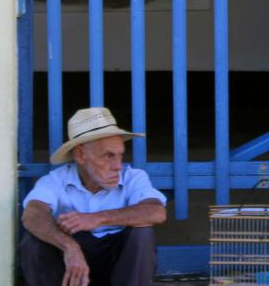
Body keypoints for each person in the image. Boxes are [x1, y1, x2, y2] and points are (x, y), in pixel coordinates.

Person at [19, 107, 167, 286]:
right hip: (70, 267)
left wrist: (97, 218)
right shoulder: (56, 180)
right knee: (33, 240)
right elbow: (32, 215)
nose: (117, 166)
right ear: (81, 155)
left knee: (142, 232)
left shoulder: (133, 177)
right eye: (108, 156)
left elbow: (156, 212)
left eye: (120, 155)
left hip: (118, 265)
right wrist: (70, 247)